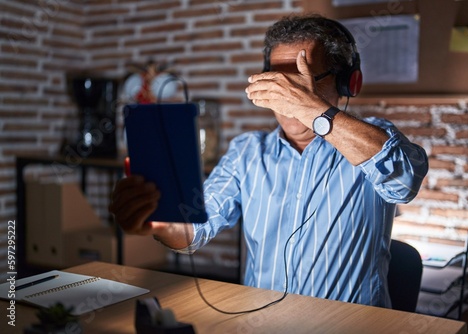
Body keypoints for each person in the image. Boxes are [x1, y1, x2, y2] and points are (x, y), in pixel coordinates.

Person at [109, 14, 428, 308]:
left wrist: (314, 110)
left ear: (347, 83)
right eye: (280, 82)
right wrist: (161, 221)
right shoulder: (247, 152)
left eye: (303, 82)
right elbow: (194, 229)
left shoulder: (373, 140)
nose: (289, 96)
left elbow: (403, 183)